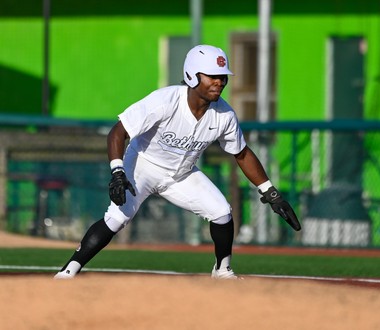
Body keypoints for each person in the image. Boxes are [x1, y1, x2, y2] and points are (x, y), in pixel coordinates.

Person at [54, 44, 300, 280]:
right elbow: (119, 132)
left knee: (222, 212)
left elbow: (242, 153)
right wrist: (117, 171)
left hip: (181, 174)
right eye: (212, 76)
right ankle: (68, 271)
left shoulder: (224, 114)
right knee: (118, 218)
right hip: (142, 165)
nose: (219, 82)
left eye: (223, 77)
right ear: (192, 76)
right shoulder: (166, 100)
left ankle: (222, 271)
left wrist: (270, 192)